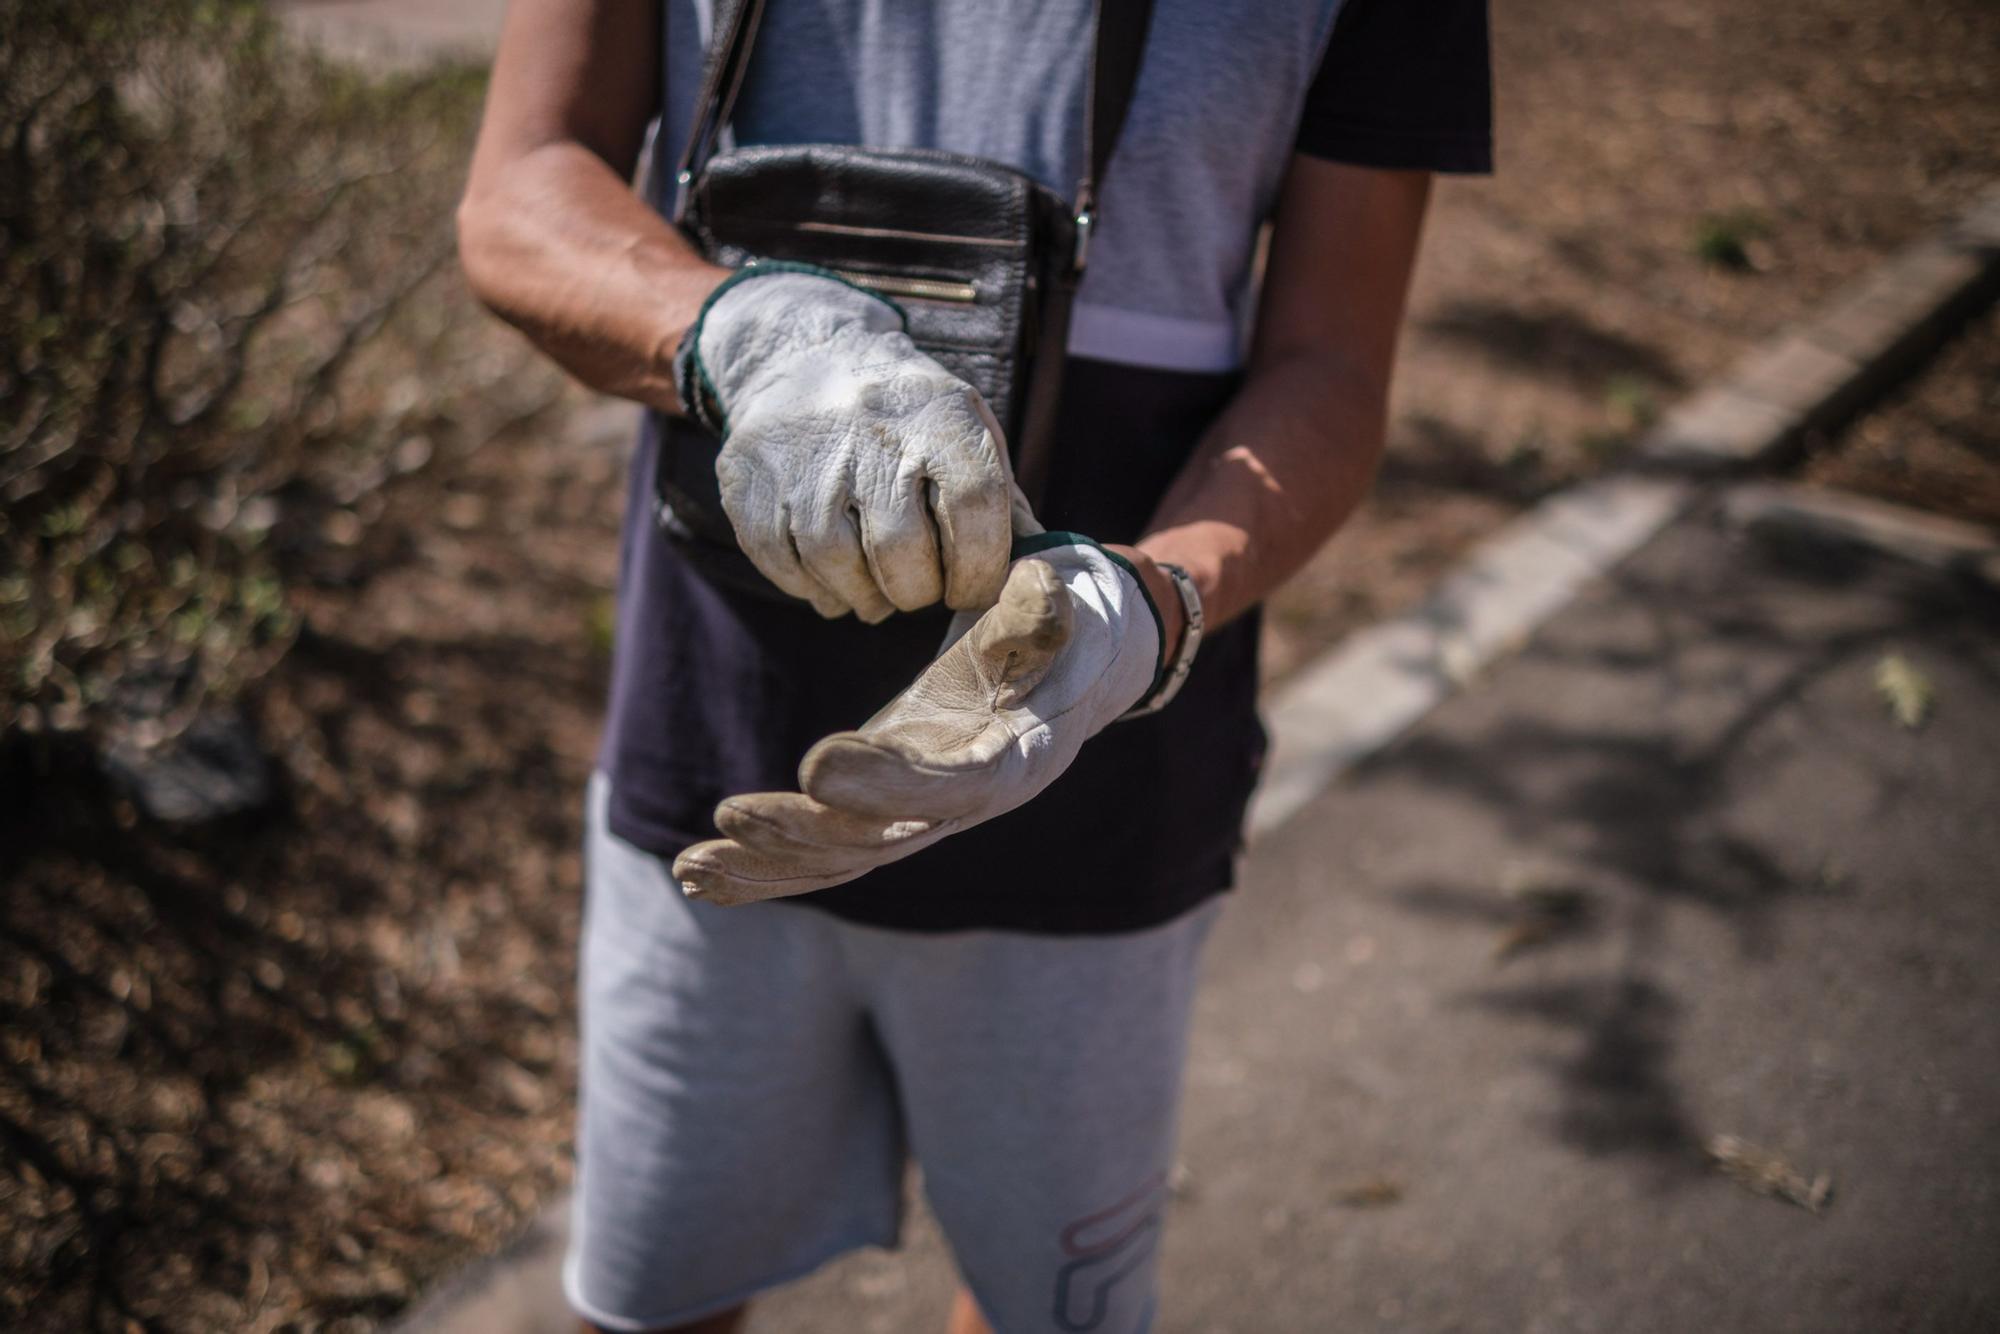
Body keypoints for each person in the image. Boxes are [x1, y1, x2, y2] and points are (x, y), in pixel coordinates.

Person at [458, 0, 1491, 1329]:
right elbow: (522, 186)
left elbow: (1332, 360)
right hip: (712, 744)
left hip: (1093, 787)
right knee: (659, 1300)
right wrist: (746, 331)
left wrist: (1149, 605)